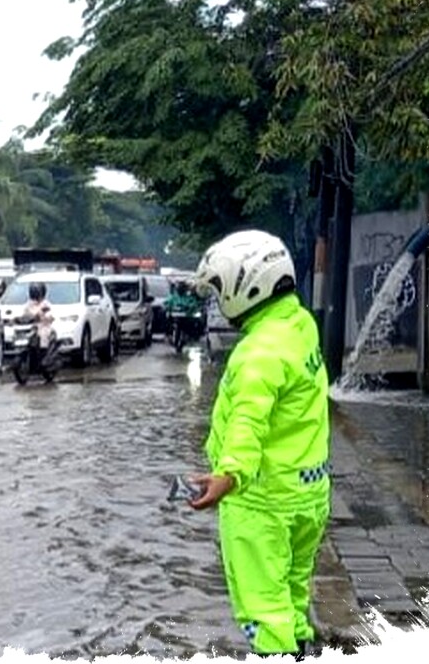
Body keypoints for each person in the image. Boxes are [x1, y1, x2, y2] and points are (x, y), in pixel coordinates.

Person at [186, 229, 330, 658]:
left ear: (244, 284)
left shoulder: (258, 354)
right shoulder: (299, 324)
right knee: (291, 597)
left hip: (261, 503)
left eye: (218, 289)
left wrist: (228, 476)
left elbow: (249, 421)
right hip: (308, 495)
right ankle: (301, 648)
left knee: (262, 611)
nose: (217, 300)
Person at [21, 282, 55, 347]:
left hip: (43, 327)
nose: (35, 294)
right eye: (34, 292)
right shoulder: (28, 304)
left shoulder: (45, 304)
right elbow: (25, 315)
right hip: (31, 327)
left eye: (37, 292)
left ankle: (43, 351)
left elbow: (50, 316)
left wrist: (43, 316)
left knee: (43, 334)